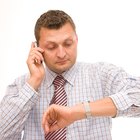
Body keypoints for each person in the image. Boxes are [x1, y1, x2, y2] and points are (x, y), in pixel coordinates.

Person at [0, 9, 140, 140]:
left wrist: (79, 111)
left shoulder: (101, 74)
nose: (61, 54)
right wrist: (33, 83)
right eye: (51, 47)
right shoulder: (21, 86)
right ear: (37, 48)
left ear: (76, 40)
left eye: (68, 44)